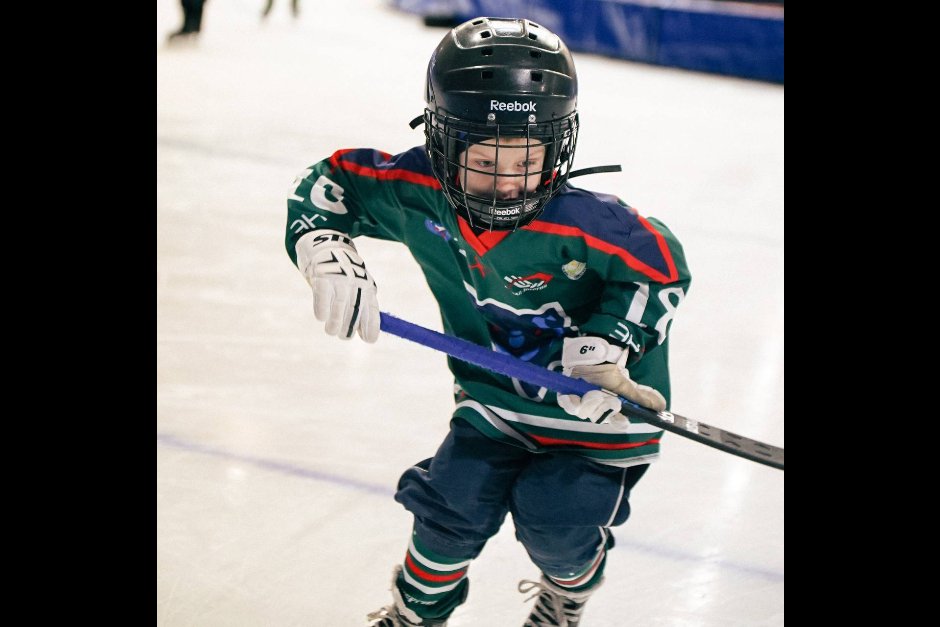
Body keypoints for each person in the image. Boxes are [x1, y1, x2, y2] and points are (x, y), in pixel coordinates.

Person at [284, 17, 691, 626]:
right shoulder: (419, 190)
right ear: (445, 143)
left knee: (556, 525)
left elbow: (661, 264)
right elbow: (330, 182)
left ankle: (569, 591)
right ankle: (415, 612)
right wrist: (321, 247)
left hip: (603, 418)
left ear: (557, 147)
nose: (505, 185)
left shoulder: (589, 223)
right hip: (495, 402)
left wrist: (610, 346)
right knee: (448, 512)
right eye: (483, 160)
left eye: (526, 159)